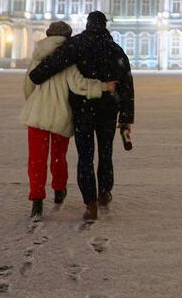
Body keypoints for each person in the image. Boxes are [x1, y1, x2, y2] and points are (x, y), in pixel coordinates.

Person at [30, 11, 134, 222]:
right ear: (105, 26)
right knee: (105, 153)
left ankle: (90, 203)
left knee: (85, 157)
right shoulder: (116, 50)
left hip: (83, 109)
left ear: (87, 25)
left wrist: (37, 74)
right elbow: (127, 84)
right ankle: (104, 192)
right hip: (107, 110)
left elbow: (53, 64)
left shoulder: (77, 45)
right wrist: (125, 119)